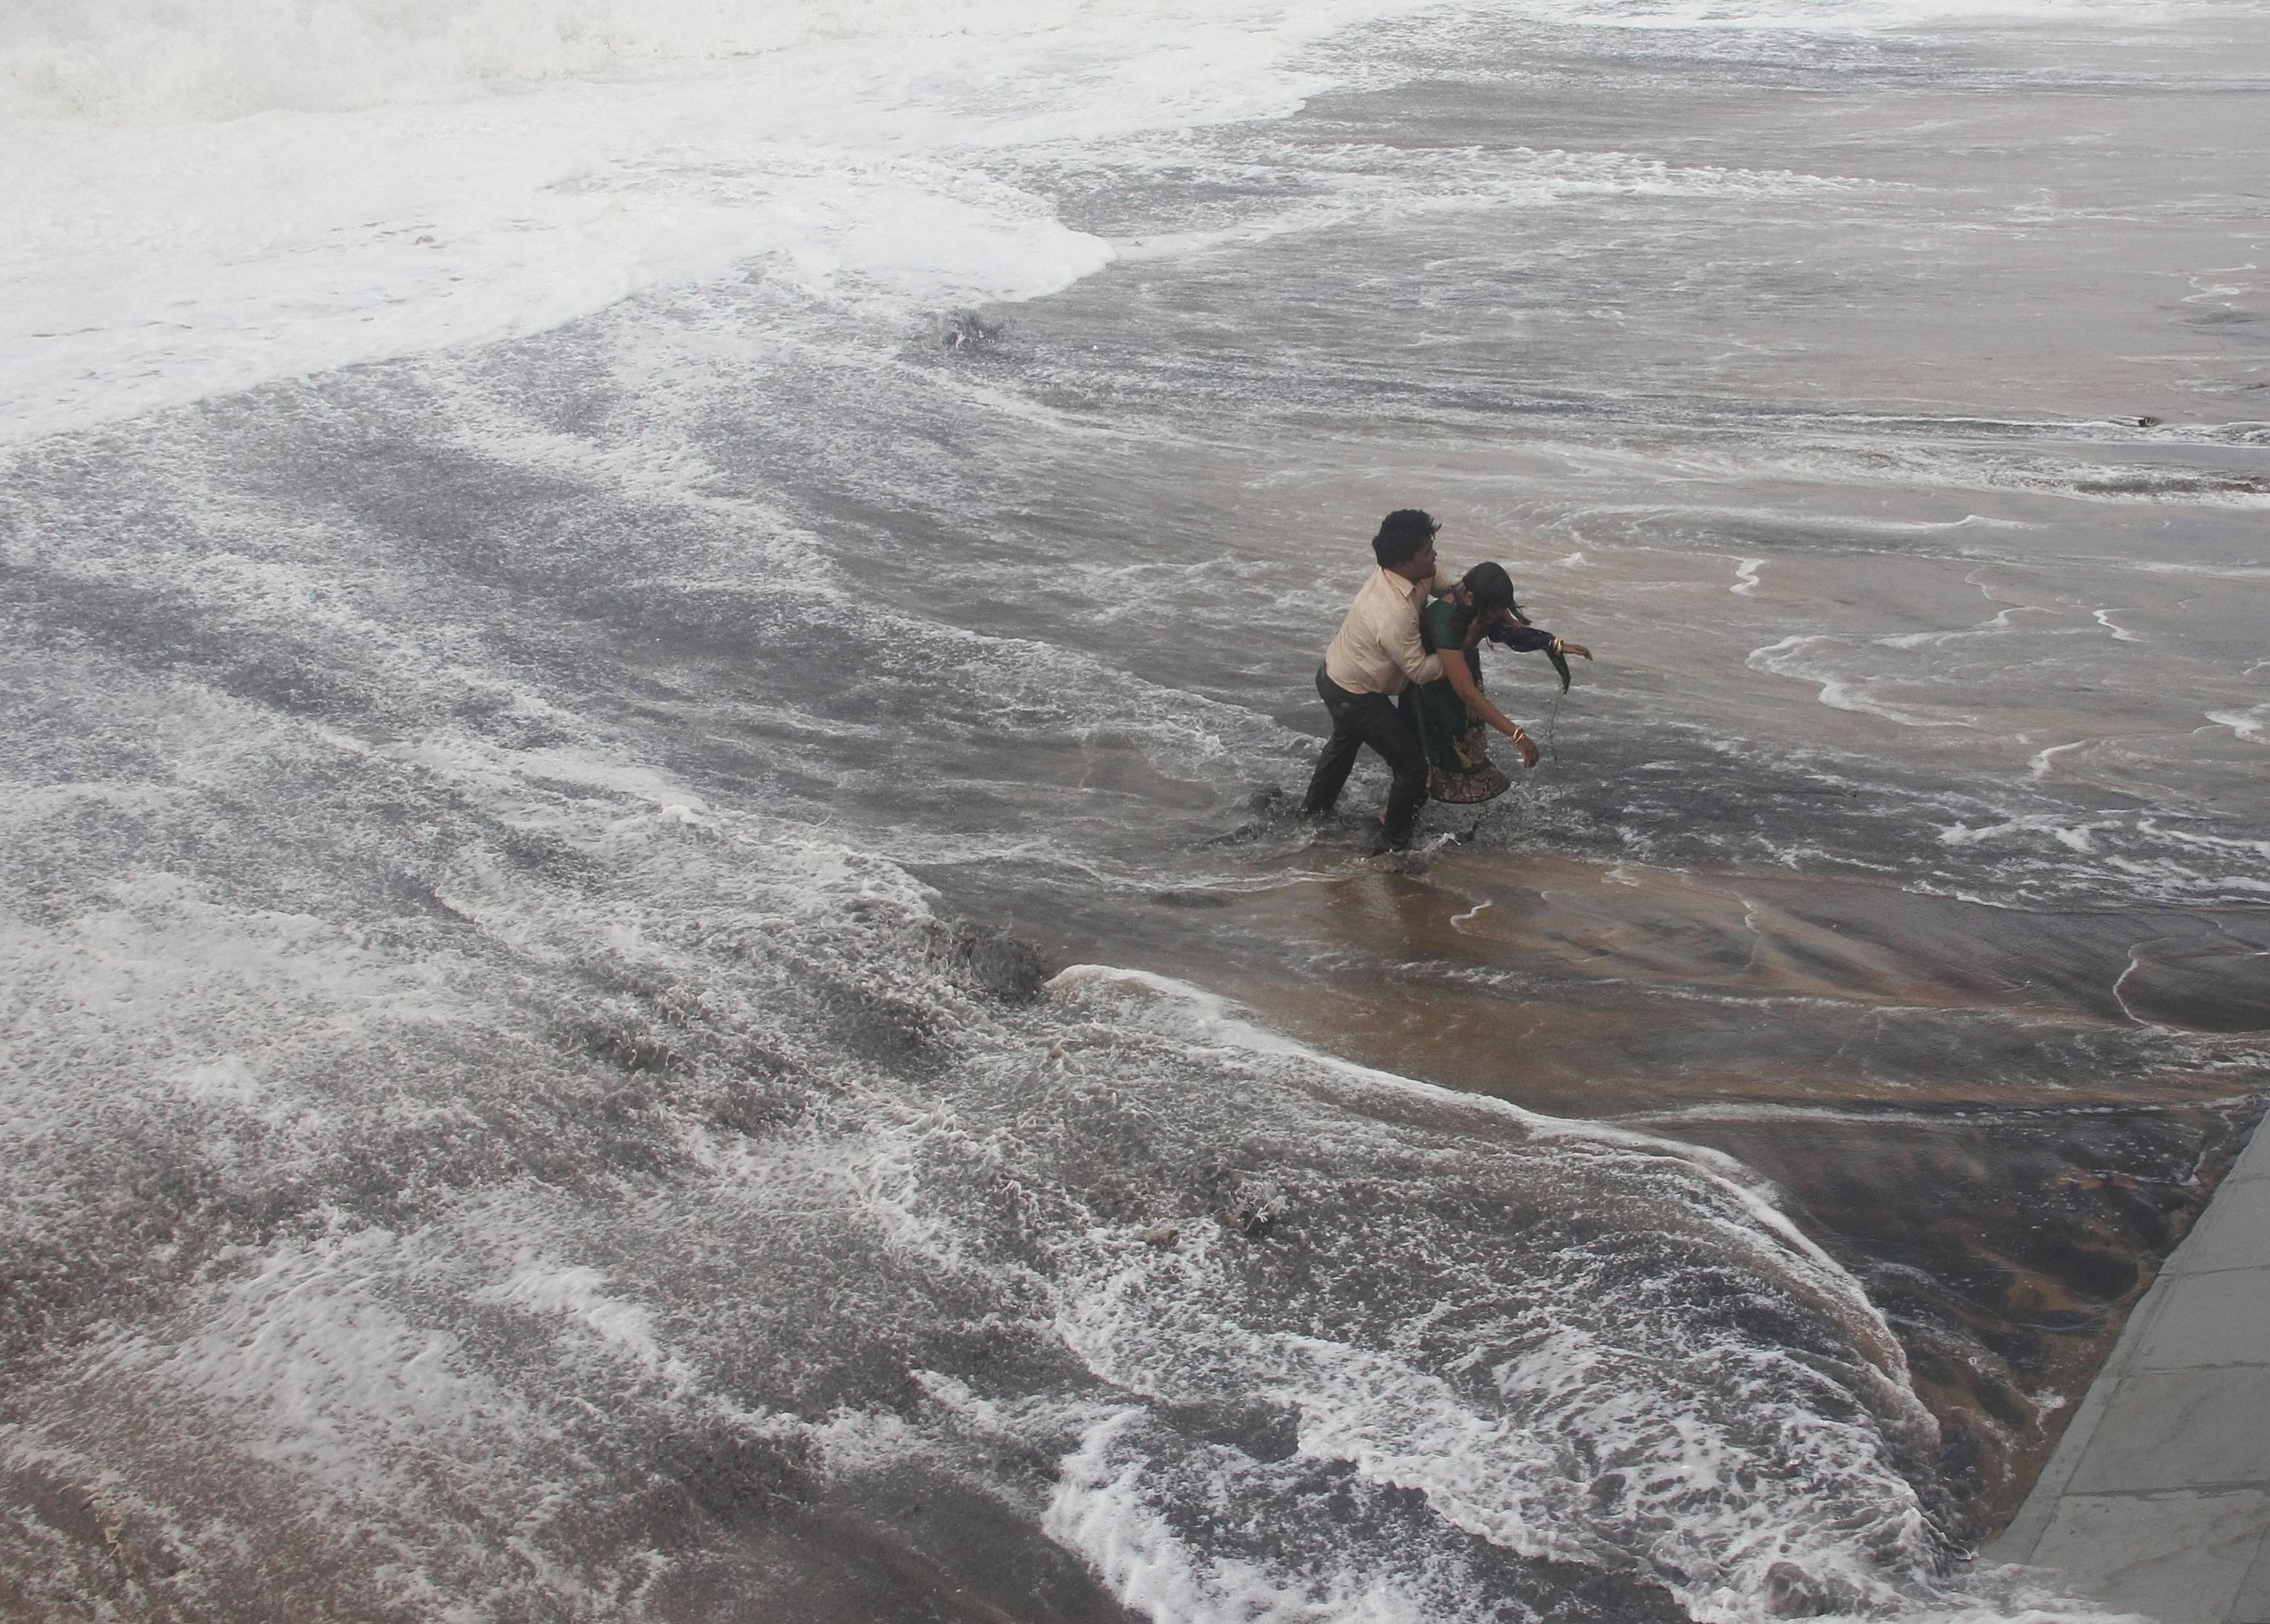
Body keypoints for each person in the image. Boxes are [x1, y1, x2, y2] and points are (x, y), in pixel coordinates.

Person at [1300, 509, 1454, 852]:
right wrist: (1458, 648)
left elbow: (1442, 580)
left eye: (1433, 548)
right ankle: (1391, 848)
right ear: (1405, 562)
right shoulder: (1393, 612)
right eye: (1428, 552)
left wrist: (1460, 592)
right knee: (1413, 767)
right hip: (1353, 692)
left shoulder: (1413, 573)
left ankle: (1312, 815)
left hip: (1338, 672)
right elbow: (1420, 671)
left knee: (1345, 744)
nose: (1435, 556)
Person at [1411, 562, 1575, 803]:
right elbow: (1467, 692)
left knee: (1468, 747)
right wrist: (1518, 735)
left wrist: (1553, 644)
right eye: (1492, 611)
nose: (1497, 616)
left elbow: (1512, 628)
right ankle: (1400, 818)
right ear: (1469, 597)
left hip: (1464, 675)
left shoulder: (1483, 602)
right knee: (1435, 756)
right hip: (1436, 689)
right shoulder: (1440, 621)